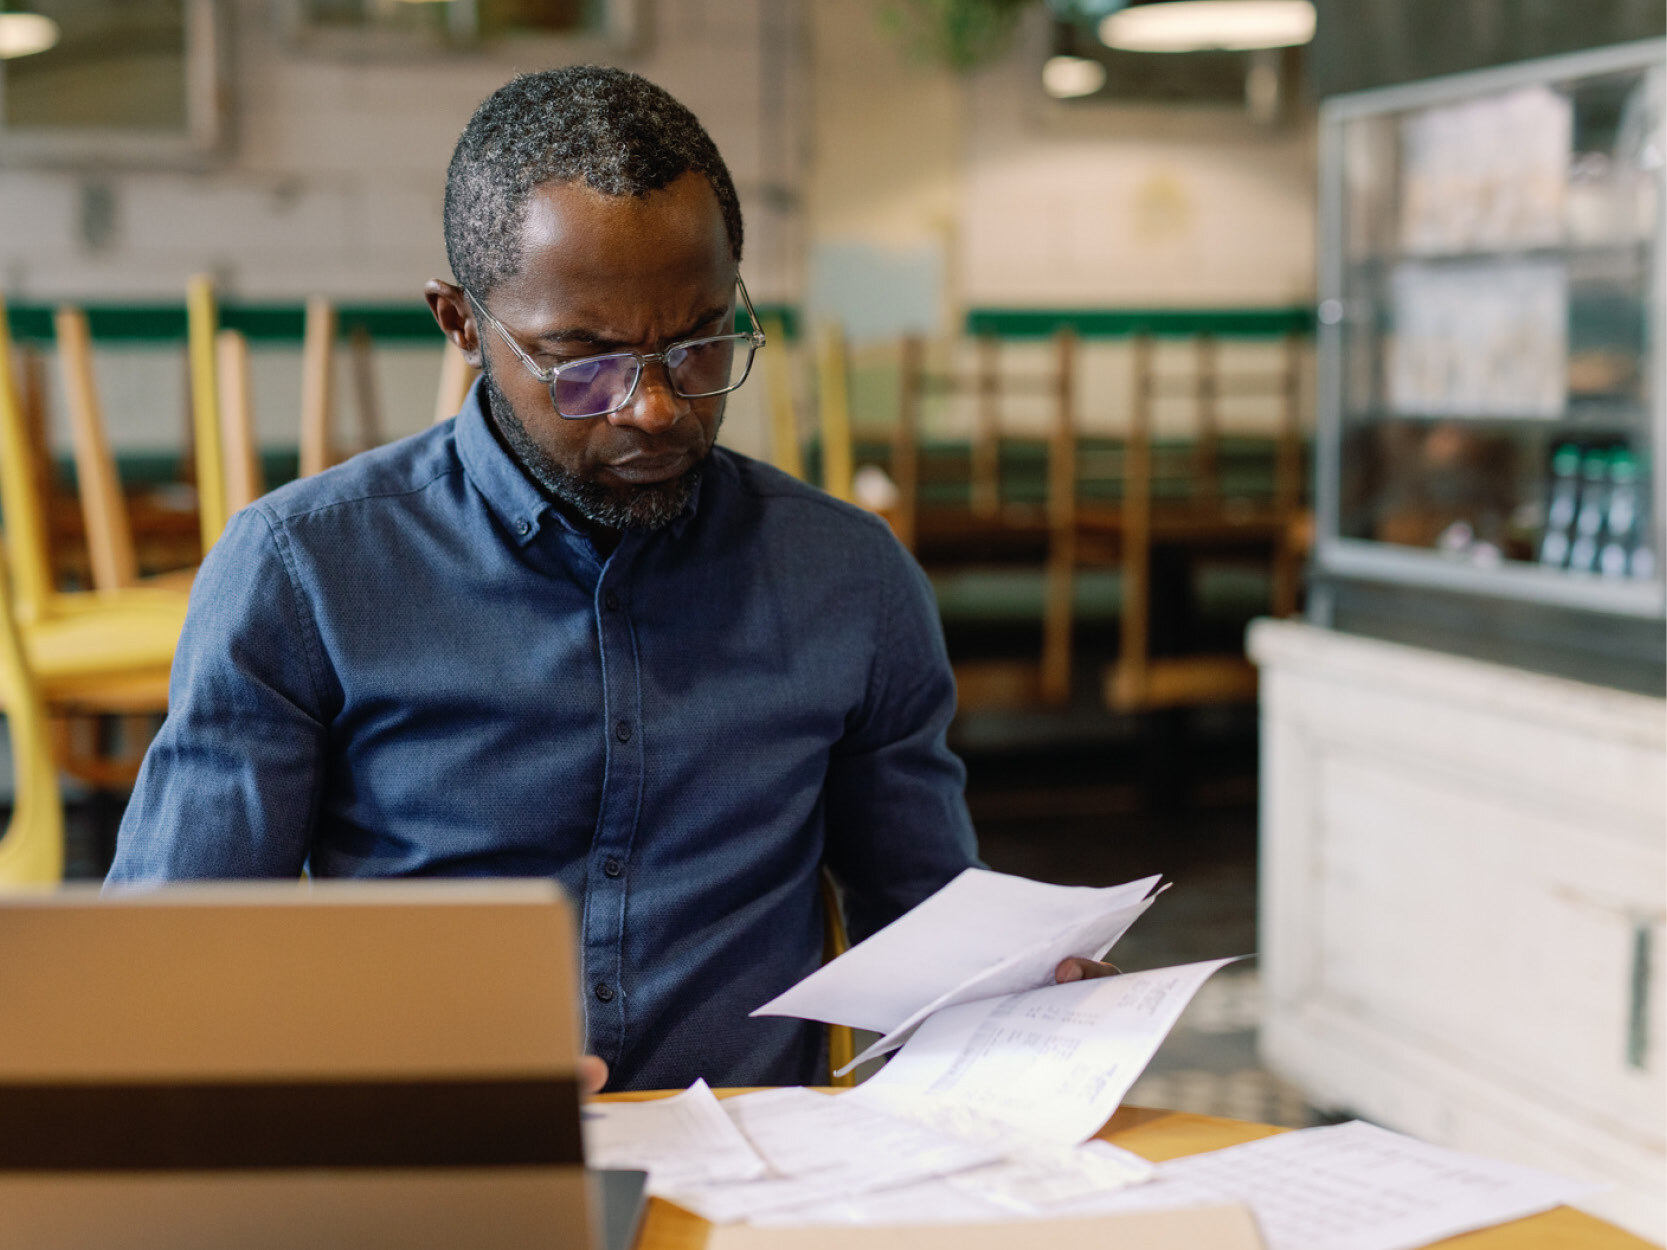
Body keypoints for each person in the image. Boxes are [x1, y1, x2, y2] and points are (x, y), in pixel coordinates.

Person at [108, 65, 1111, 1090]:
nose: (654, 408)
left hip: (763, 1178)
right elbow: (169, 974)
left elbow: (924, 924)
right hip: (444, 1169)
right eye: (583, 362)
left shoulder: (850, 580)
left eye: (698, 345)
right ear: (460, 322)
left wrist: (1016, 997)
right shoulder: (304, 573)